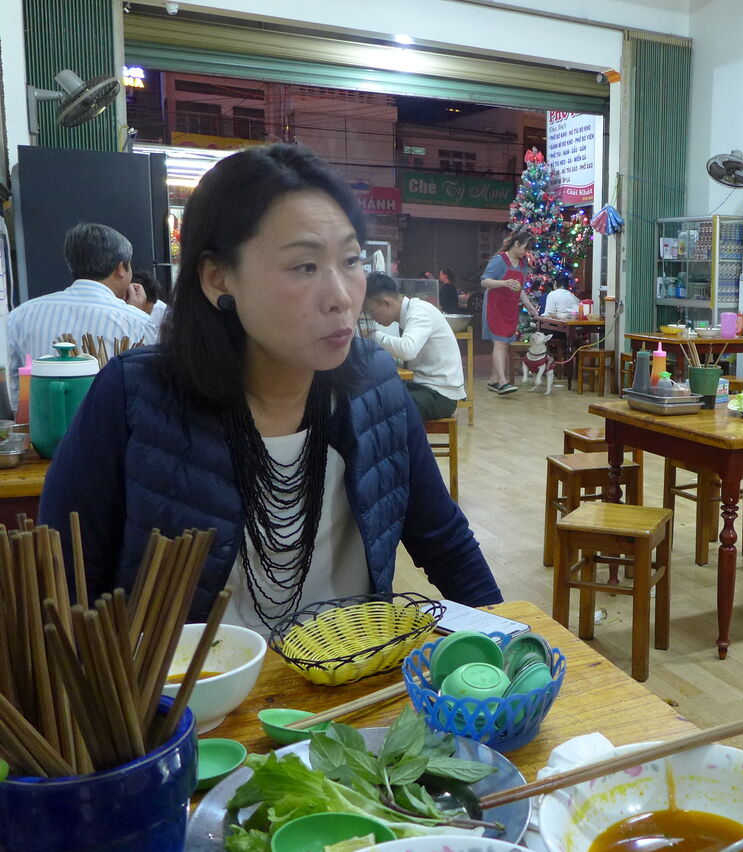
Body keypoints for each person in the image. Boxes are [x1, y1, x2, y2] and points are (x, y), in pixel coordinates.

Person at [39, 143, 501, 633]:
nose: (341, 297)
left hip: (352, 670)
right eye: (305, 266)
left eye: (351, 260)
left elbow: (444, 540)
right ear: (218, 278)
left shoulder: (375, 384)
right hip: (196, 682)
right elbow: (63, 582)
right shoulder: (133, 395)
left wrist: (510, 648)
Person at [7, 222, 154, 399]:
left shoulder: (21, 315)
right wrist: (134, 317)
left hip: (41, 415)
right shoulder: (139, 323)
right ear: (121, 268)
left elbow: (12, 390)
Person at [363, 271, 466, 422]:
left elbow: (407, 350)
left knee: (387, 409)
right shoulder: (408, 314)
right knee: (373, 398)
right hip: (422, 387)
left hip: (440, 394)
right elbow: (410, 359)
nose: (373, 318)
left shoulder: (419, 312)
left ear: (386, 303)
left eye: (372, 312)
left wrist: (372, 335)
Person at [480, 229, 540, 395]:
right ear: (516, 243)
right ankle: (503, 382)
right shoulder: (500, 260)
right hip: (495, 305)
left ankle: (493, 380)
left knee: (504, 344)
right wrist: (504, 283)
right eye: (525, 248)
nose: (526, 253)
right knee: (499, 343)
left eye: (529, 250)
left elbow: (520, 288)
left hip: (510, 307)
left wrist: (529, 304)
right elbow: (484, 281)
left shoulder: (522, 264)